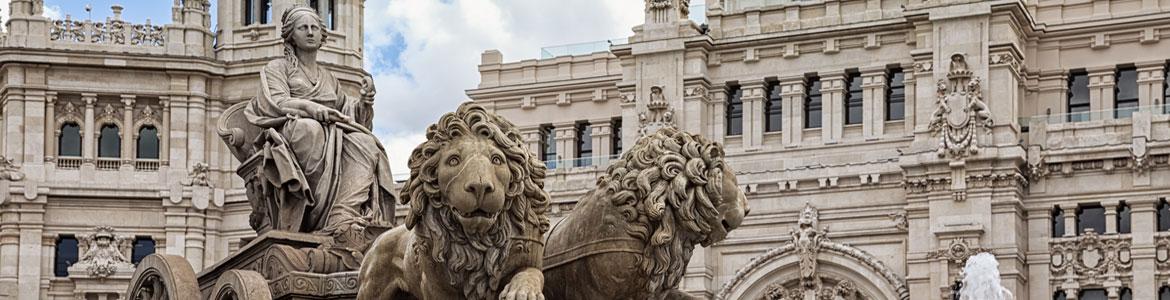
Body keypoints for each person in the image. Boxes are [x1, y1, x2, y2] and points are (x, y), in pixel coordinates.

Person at [244, 6, 395, 264]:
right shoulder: (276, 68)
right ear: (291, 35)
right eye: (303, 28)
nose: (310, 33)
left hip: (332, 133)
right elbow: (277, 102)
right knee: (310, 130)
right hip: (292, 130)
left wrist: (365, 102)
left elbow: (349, 114)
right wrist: (312, 109)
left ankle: (341, 215)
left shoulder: (328, 77)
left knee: (365, 142)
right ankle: (313, 214)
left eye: (315, 27)